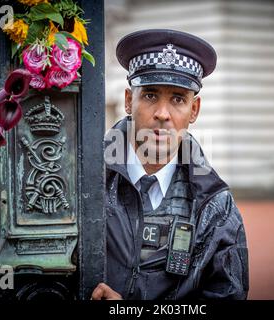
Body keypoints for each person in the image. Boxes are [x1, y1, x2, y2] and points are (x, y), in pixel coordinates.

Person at [91, 29, 249, 300]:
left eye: (178, 99)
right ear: (129, 100)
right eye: (150, 95)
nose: (162, 114)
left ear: (194, 110)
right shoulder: (85, 180)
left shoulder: (215, 206)